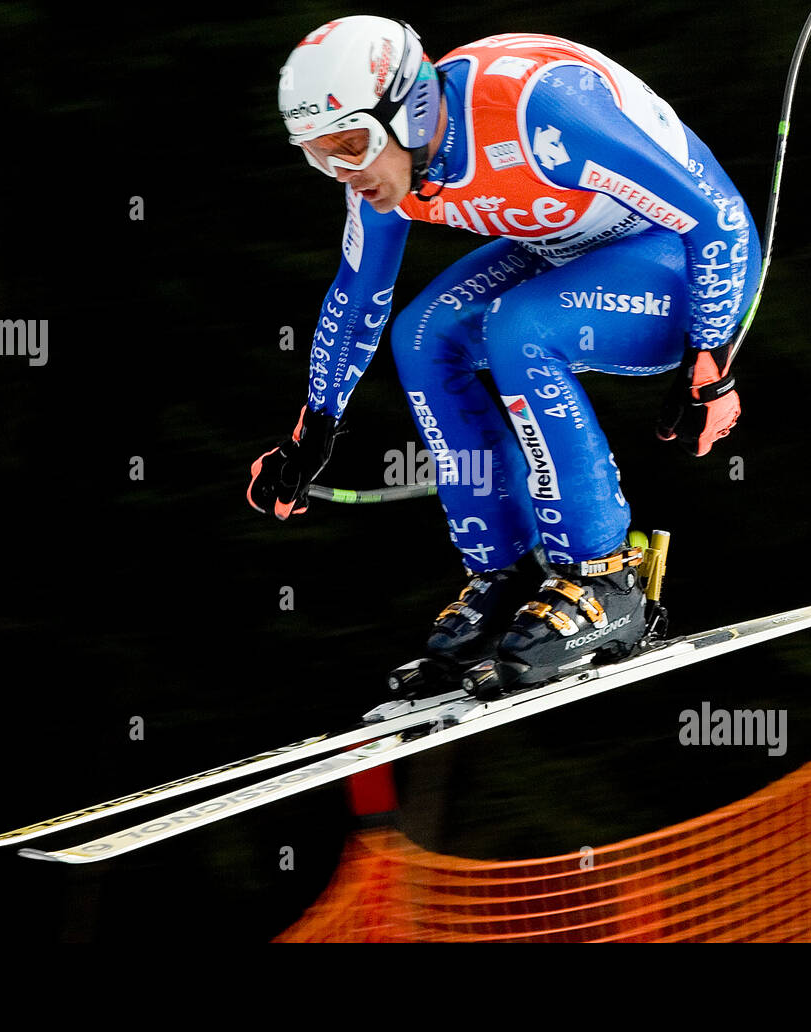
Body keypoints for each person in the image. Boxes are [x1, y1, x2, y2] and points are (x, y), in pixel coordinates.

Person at [249, 16, 761, 684]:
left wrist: (711, 357)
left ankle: (605, 582)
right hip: (566, 246)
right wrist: (314, 427)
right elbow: (356, 296)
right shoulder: (387, 171)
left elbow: (717, 217)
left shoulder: (537, 114)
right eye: (321, 155)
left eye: (352, 144)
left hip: (682, 264)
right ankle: (506, 572)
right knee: (424, 335)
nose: (346, 172)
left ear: (410, 110)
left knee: (518, 328)